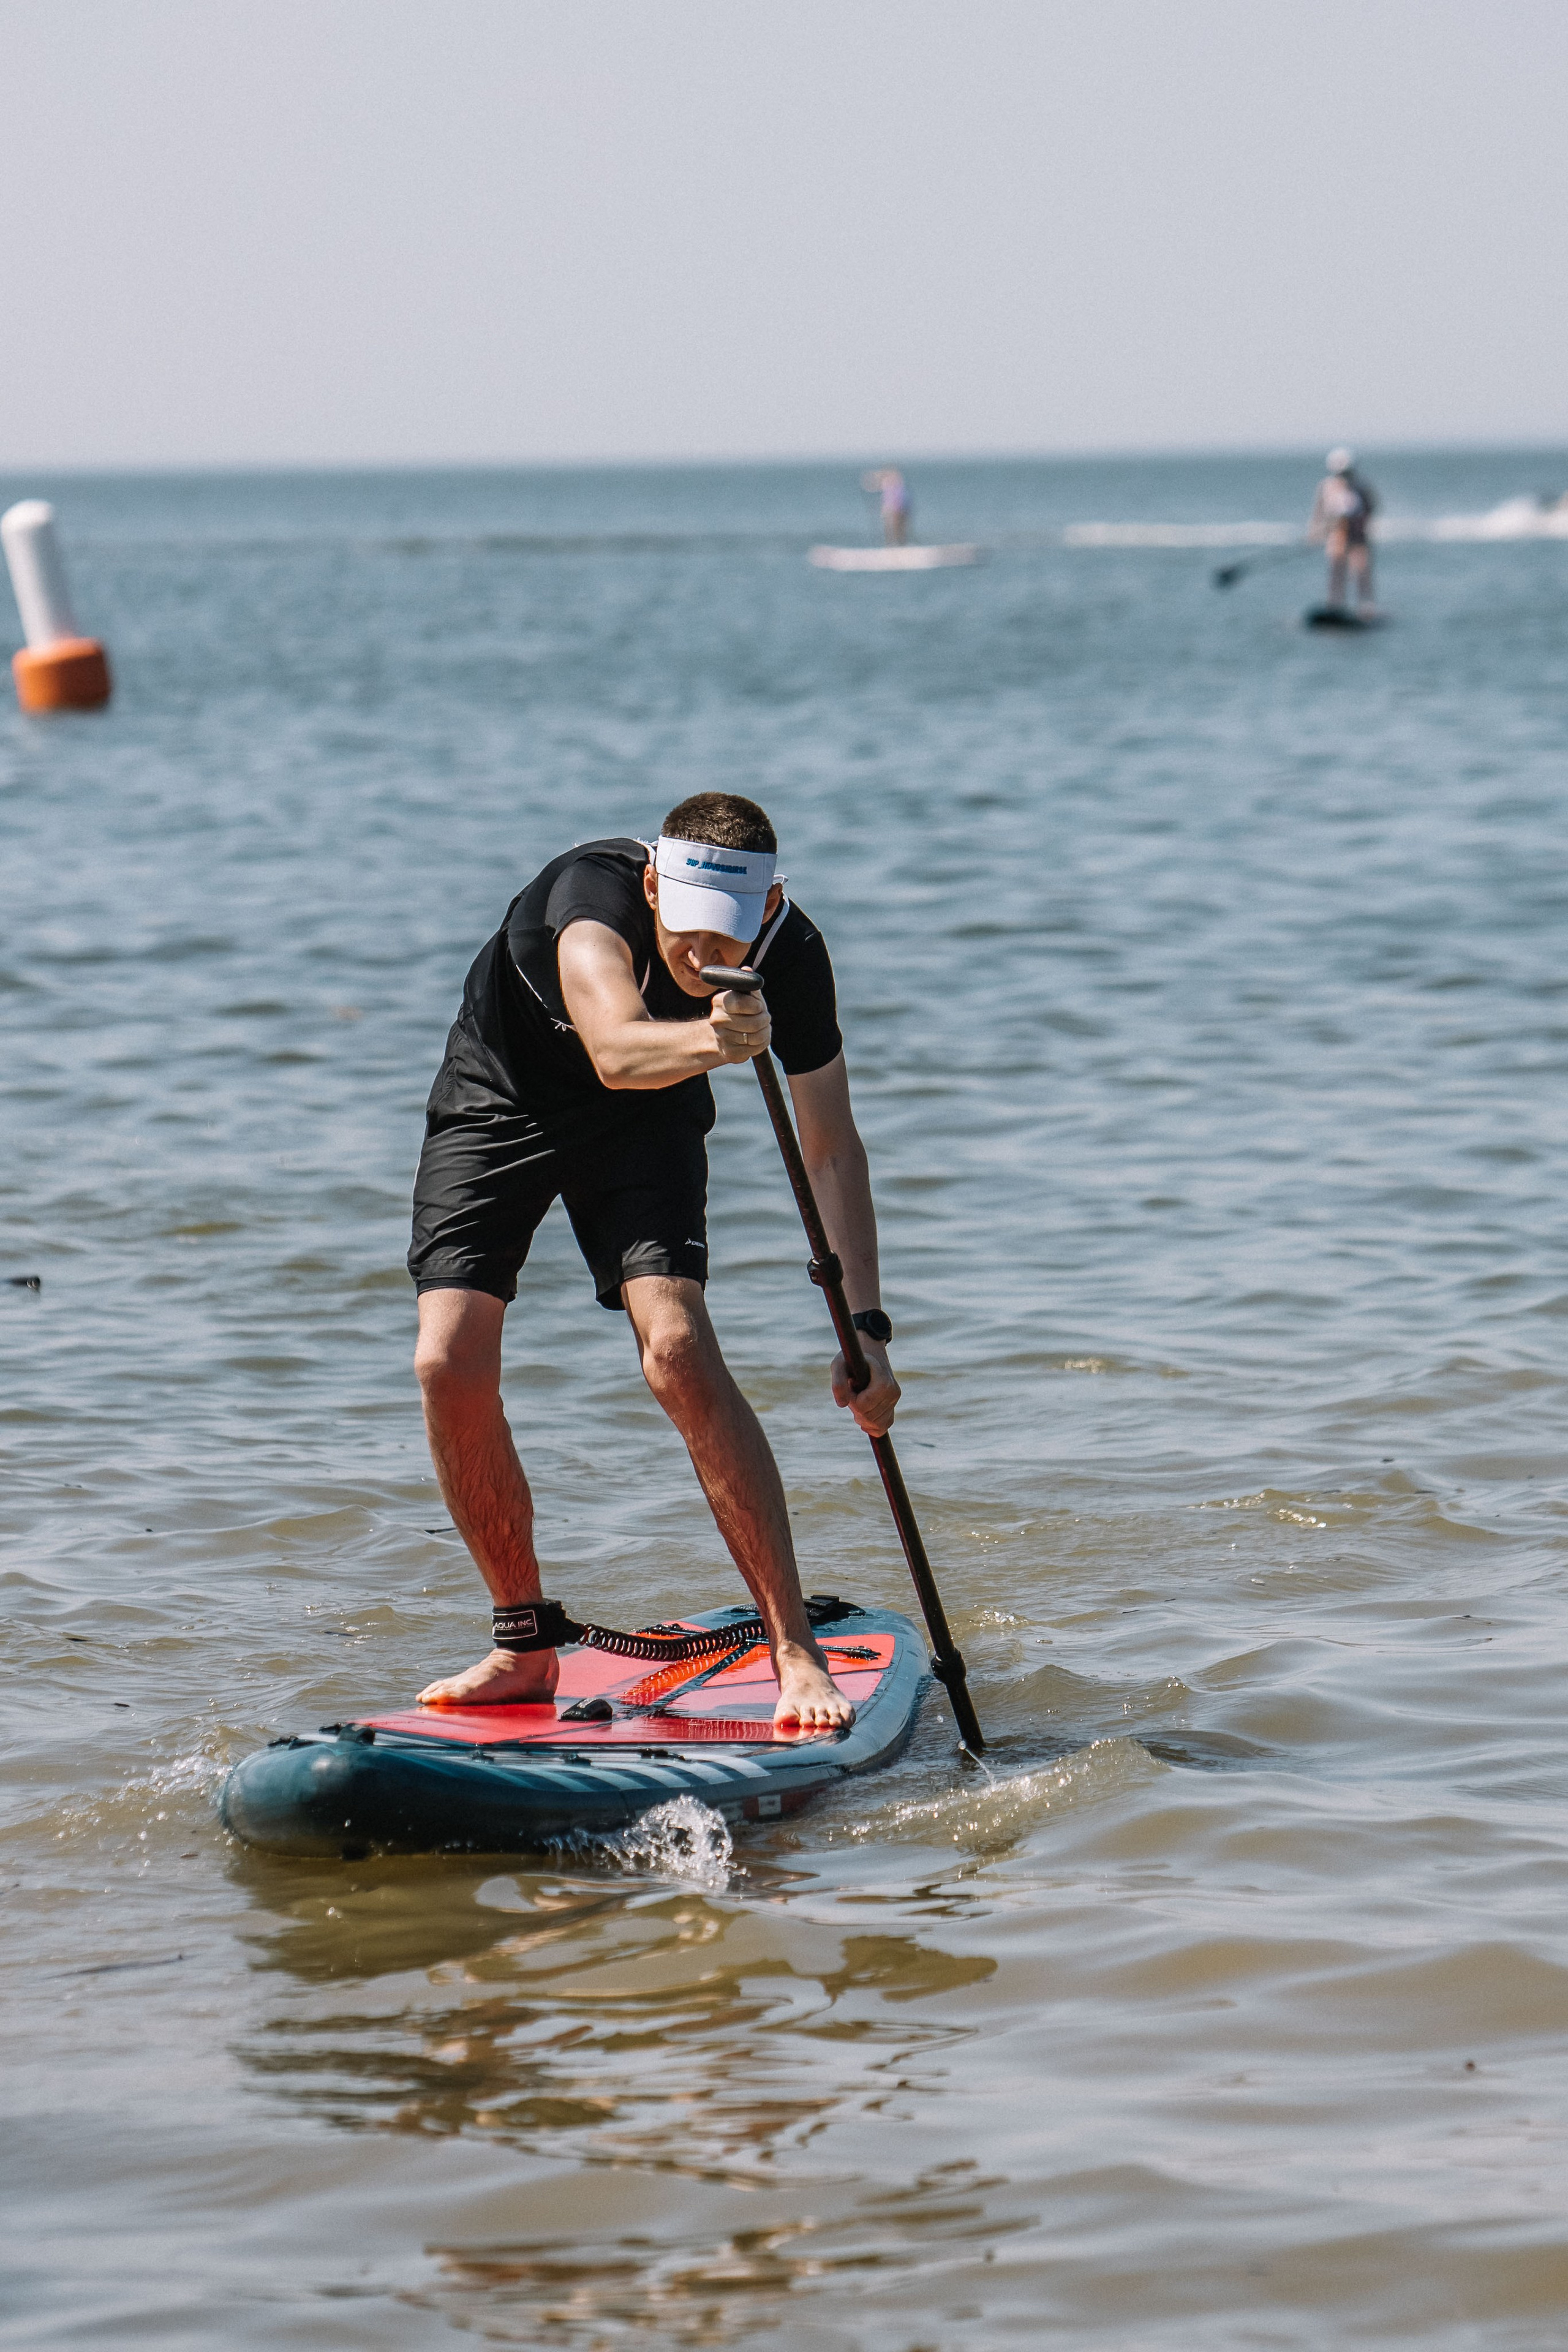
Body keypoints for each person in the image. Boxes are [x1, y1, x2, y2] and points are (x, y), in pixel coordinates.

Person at [407, 794, 899, 1731]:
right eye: (682, 935)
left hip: (648, 1118)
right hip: (505, 1098)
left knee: (675, 1350)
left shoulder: (791, 955)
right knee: (446, 1359)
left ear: (769, 904)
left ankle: (795, 1652)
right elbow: (617, 1050)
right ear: (650, 888)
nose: (703, 957)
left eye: (727, 936)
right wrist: (719, 1037)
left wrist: (867, 1330)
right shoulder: (590, 907)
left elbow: (830, 1145)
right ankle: (523, 1645)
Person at [1308, 447, 1378, 611]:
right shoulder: (1326, 486)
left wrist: (1363, 524)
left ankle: (1365, 605)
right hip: (1336, 534)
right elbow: (1319, 511)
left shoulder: (1361, 486)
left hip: (1357, 535)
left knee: (1361, 569)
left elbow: (1371, 507)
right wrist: (1315, 532)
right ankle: (1335, 603)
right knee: (1336, 570)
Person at [861, 467, 912, 546]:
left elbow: (899, 499)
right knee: (891, 528)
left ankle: (899, 544)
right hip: (892, 509)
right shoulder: (890, 484)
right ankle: (893, 544)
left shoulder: (896, 485)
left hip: (898, 509)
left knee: (898, 528)